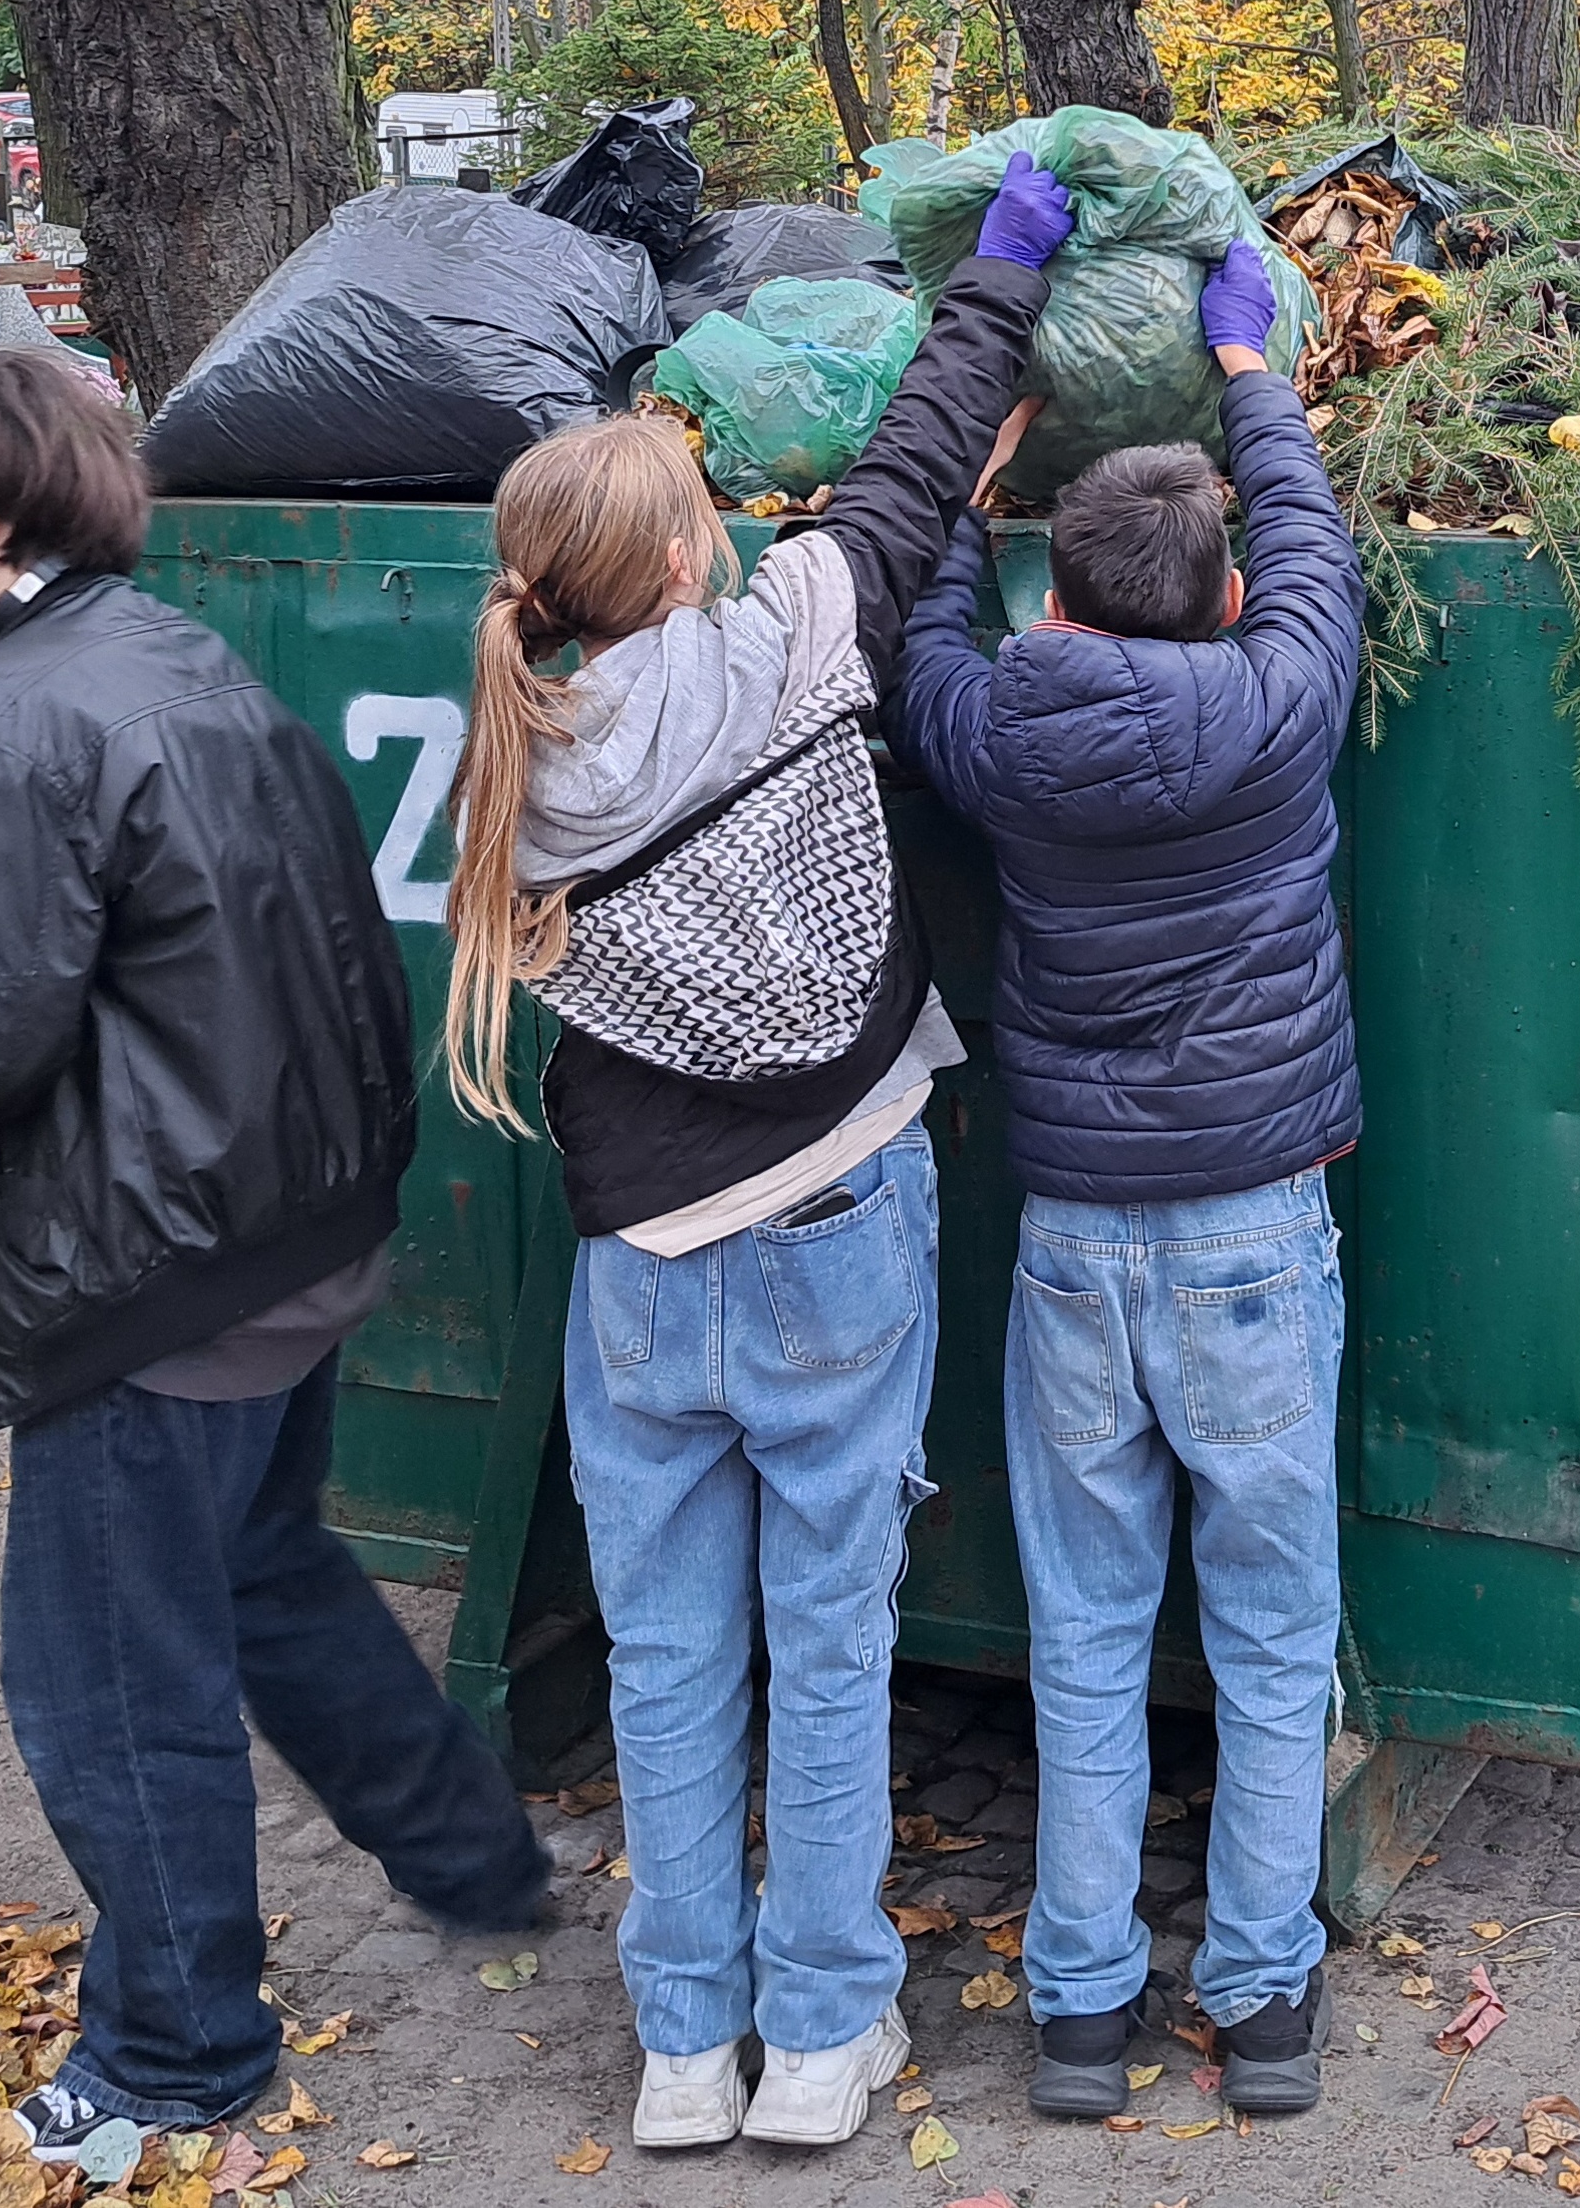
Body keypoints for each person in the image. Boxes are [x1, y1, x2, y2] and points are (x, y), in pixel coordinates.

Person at [0, 350, 551, 2162]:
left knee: (107, 1684)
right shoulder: (184, 657)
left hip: (147, 1273)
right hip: (288, 1223)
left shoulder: (0, 728)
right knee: (269, 1571)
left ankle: (176, 2053)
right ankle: (474, 1859)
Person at [431, 157, 1072, 2152]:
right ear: (696, 540)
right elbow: (923, 458)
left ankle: (682, 2045)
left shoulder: (511, 761)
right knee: (833, 1633)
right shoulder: (793, 634)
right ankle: (822, 2035)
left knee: (672, 1658)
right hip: (837, 1220)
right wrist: (1008, 267)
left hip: (641, 1260)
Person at [893, 240, 1360, 2122]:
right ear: (1227, 594)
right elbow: (1317, 548)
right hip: (1252, 1232)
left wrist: (961, 496)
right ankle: (1262, 2012)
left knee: (1084, 1634)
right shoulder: (1277, 706)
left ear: (1059, 600)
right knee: (1266, 1630)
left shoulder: (1003, 725)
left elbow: (918, 643)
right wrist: (1249, 364)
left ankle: (1078, 2017)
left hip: (1076, 1243)